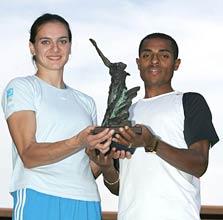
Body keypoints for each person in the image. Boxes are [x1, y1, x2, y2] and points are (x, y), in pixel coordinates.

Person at [86, 33, 219, 220]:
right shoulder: (125, 114)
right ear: (138, 63)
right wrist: (107, 168)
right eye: (147, 55)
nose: (154, 61)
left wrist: (152, 143)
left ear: (176, 63)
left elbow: (199, 164)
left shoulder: (189, 102)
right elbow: (119, 188)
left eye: (163, 55)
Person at [1, 13, 115, 220]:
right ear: (32, 47)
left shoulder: (86, 101)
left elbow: (86, 169)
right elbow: (28, 155)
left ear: (70, 47)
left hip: (86, 200)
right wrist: (78, 141)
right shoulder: (22, 87)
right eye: (46, 42)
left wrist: (107, 153)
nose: (55, 49)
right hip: (39, 195)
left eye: (62, 41)